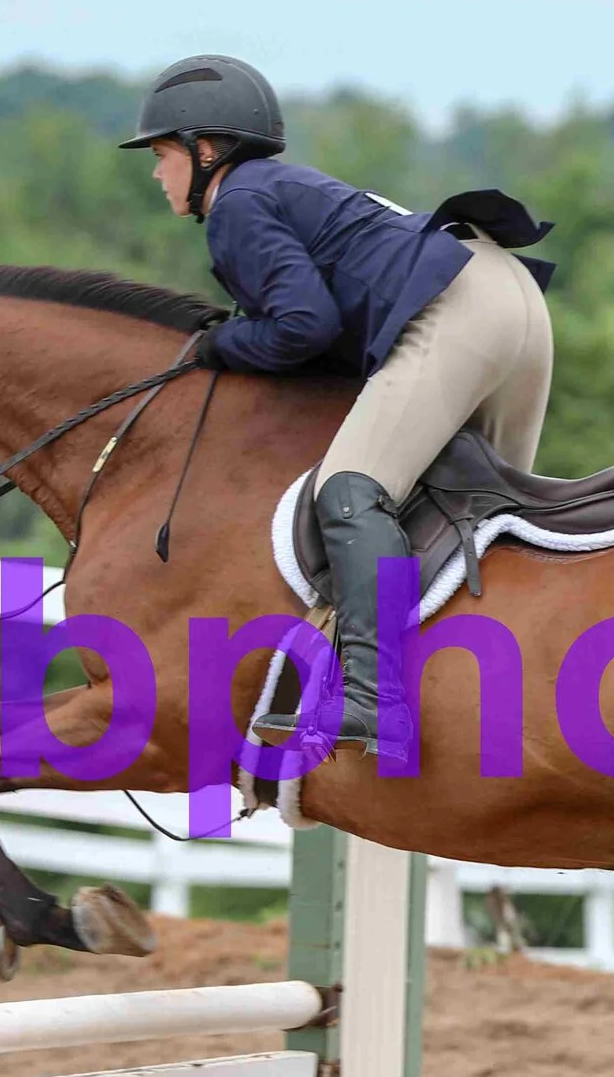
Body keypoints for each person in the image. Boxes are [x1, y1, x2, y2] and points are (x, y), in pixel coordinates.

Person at [122, 53, 557, 755]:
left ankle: (373, 701)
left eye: (162, 153)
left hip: (460, 307)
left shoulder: (236, 204)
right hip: (516, 299)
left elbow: (304, 326)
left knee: (352, 489)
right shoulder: (282, 187)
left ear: (204, 151)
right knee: (482, 521)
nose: (156, 172)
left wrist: (220, 343)